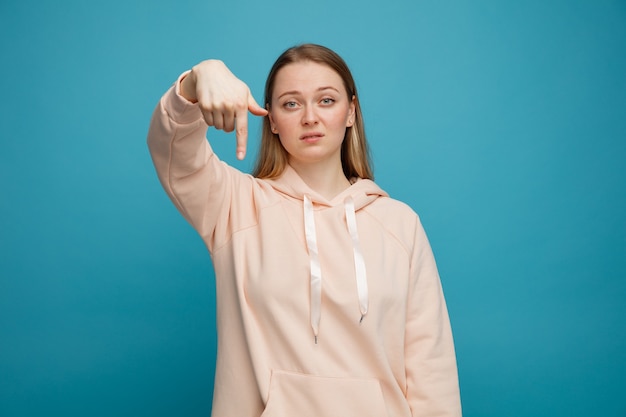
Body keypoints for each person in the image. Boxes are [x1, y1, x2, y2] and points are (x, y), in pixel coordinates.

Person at [147, 43, 462, 417]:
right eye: (291, 103)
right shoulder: (234, 205)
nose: (310, 117)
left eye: (326, 101)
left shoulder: (399, 223)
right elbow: (172, 151)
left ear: (351, 112)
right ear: (273, 120)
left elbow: (431, 371)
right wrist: (199, 78)